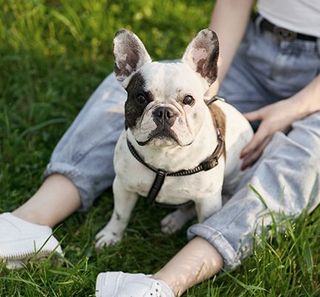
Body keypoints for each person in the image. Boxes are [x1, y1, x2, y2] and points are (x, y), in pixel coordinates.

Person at [1, 0, 320, 296]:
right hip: (252, 50)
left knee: (306, 160)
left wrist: (295, 107)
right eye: (149, 104)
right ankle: (28, 221)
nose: (165, 116)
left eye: (179, 107)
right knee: (138, 87)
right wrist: (204, 84)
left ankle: (163, 283)